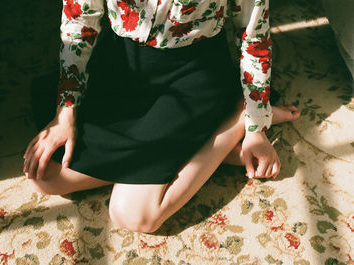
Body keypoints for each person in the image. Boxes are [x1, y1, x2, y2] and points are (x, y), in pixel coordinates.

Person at [23, 0, 300, 233]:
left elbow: (254, 35)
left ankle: (236, 119)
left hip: (191, 76)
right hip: (121, 66)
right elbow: (79, 18)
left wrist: (254, 127)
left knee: (133, 215)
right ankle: (190, 149)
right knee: (44, 174)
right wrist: (66, 112)